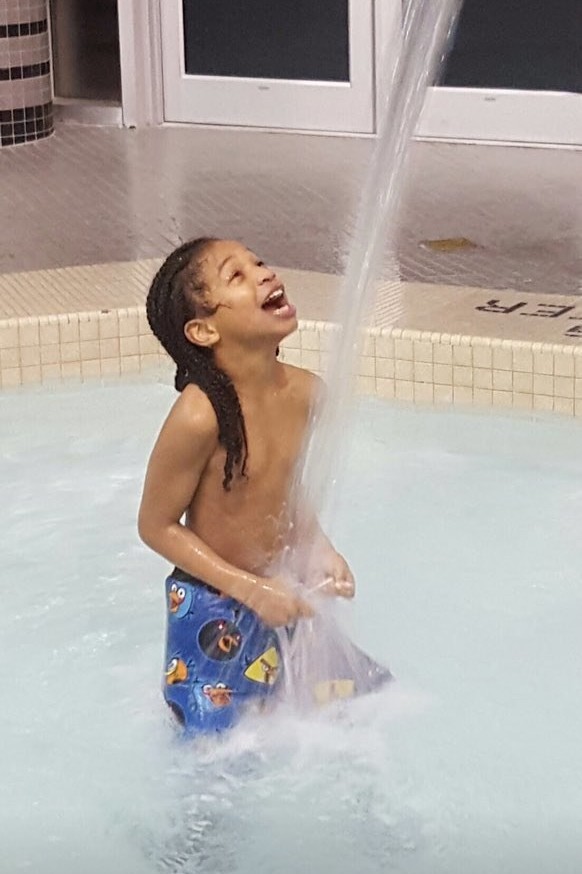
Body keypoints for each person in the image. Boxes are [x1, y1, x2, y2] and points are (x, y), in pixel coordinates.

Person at [138, 237, 389, 735]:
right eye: (236, 276)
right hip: (212, 603)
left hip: (281, 591)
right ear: (204, 330)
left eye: (258, 262)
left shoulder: (307, 393)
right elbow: (156, 526)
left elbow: (285, 491)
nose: (264, 274)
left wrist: (319, 548)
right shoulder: (199, 416)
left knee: (375, 700)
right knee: (214, 749)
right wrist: (251, 590)